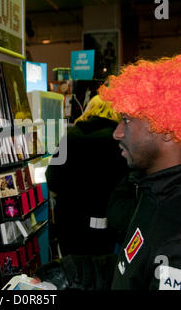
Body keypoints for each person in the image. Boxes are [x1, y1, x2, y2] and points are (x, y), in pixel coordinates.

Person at [35, 45, 181, 290]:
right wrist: (70, 272)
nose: (117, 132)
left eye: (127, 120)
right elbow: (133, 269)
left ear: (166, 128)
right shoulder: (157, 192)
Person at [45, 95, 128, 257]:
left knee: (72, 270)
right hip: (104, 223)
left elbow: (52, 179)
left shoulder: (71, 136)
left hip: (69, 221)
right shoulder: (119, 142)